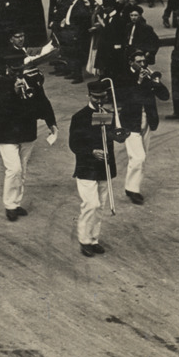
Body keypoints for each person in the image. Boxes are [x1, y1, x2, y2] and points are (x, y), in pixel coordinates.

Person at [0, 56, 57, 222]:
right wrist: (13, 91)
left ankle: (16, 202)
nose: (17, 74)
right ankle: (9, 205)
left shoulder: (32, 81)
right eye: (14, 71)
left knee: (22, 170)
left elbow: (43, 102)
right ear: (8, 69)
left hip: (27, 132)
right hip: (6, 133)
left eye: (20, 70)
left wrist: (51, 123)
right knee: (14, 169)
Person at [70, 81, 125, 256]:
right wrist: (92, 151)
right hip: (86, 168)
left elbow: (112, 137)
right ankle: (84, 240)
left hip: (103, 167)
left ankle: (94, 239)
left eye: (103, 97)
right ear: (89, 96)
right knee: (91, 204)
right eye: (96, 98)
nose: (100, 101)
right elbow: (74, 144)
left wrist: (120, 132)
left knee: (99, 206)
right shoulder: (79, 117)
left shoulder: (106, 115)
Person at [113, 48, 170, 204]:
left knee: (141, 157)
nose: (143, 64)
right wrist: (138, 82)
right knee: (138, 157)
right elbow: (122, 98)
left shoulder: (148, 75)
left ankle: (132, 186)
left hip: (147, 120)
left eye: (144, 61)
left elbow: (165, 96)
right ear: (131, 62)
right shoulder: (123, 76)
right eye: (139, 62)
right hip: (130, 121)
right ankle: (132, 190)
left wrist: (156, 83)